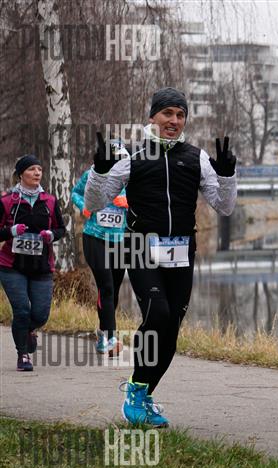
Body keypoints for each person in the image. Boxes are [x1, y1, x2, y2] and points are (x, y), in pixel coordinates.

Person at [85, 87, 237, 427]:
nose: (174, 120)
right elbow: (94, 202)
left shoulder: (196, 158)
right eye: (168, 113)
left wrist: (227, 176)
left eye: (180, 115)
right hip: (141, 247)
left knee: (171, 329)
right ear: (152, 116)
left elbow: (224, 206)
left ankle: (142, 392)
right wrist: (99, 170)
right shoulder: (132, 156)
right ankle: (136, 394)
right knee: (158, 314)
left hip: (182, 251)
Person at [0, 155, 66, 371]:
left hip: (41, 267)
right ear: (21, 174)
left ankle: (27, 330)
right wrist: (10, 231)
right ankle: (23, 355)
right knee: (21, 311)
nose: (37, 173)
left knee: (39, 315)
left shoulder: (50, 201)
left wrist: (51, 235)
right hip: (11, 266)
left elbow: (61, 229)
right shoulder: (7, 201)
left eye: (39, 169)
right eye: (31, 169)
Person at [71, 141, 129, 356]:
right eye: (115, 159)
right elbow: (75, 193)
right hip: (95, 237)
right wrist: (85, 207)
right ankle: (112, 338)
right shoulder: (93, 174)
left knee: (114, 290)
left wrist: (127, 201)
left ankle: (102, 333)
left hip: (120, 240)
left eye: (122, 159)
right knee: (106, 286)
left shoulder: (129, 178)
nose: (118, 163)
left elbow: (143, 201)